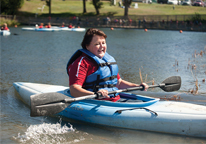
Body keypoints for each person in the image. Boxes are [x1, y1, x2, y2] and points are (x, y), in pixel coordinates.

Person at [66, 28, 148, 102]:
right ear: (87, 46)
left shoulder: (108, 60)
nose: (102, 46)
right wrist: (95, 94)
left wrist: (138, 86)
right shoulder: (81, 63)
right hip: (94, 102)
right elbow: (74, 90)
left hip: (114, 99)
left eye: (104, 43)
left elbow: (118, 83)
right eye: (97, 44)